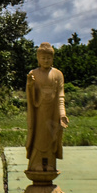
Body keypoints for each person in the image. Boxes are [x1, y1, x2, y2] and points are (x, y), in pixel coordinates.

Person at [26, 42, 68, 174]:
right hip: (39, 113)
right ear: (38, 59)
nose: (46, 60)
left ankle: (50, 163)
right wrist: (30, 86)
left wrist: (62, 114)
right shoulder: (34, 73)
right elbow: (31, 97)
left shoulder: (58, 74)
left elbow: (60, 95)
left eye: (48, 58)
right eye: (43, 58)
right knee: (38, 138)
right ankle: (36, 163)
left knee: (51, 137)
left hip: (53, 113)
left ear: (53, 58)